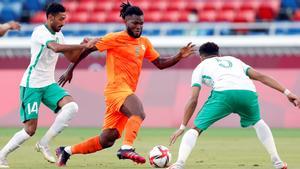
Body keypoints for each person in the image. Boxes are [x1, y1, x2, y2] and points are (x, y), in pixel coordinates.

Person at [55, 1, 195, 167]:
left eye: (141, 23)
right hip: (116, 89)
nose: (138, 26)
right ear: (125, 22)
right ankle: (126, 148)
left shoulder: (144, 42)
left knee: (107, 139)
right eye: (135, 23)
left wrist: (178, 56)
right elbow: (87, 49)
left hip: (124, 92)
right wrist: (70, 69)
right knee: (138, 112)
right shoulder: (114, 38)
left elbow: (160, 63)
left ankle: (66, 151)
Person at [167, 42, 300, 169]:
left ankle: (179, 164)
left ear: (201, 57)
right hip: (248, 92)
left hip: (223, 94)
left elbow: (193, 99)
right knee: (258, 122)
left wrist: (182, 126)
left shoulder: (200, 67)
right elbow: (260, 76)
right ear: (219, 55)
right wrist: (287, 92)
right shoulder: (234, 60)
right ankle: (277, 161)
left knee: (195, 129)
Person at [0, 3, 96, 168]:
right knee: (30, 130)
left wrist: (84, 45)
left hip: (48, 84)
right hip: (32, 85)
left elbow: (72, 57)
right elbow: (56, 48)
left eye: (64, 19)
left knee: (71, 106)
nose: (63, 22)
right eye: (60, 19)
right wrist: (83, 46)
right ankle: (1, 156)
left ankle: (44, 143)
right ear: (50, 17)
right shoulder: (40, 32)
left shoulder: (60, 34)